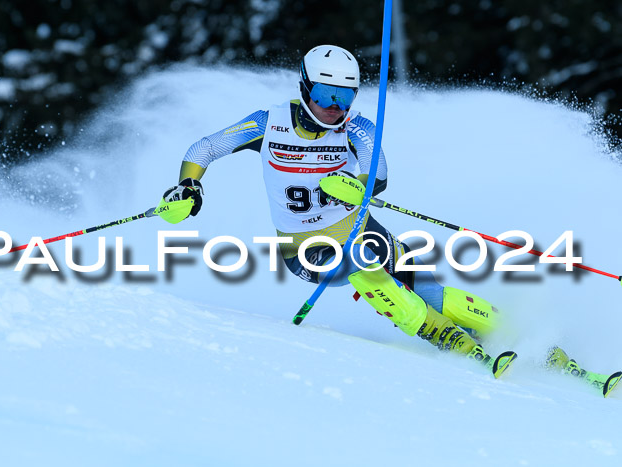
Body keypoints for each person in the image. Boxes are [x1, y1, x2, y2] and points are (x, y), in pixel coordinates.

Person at [155, 45, 617, 387]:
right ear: (303, 87)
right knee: (362, 264)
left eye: (345, 95)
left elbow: (380, 171)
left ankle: (540, 349)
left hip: (358, 227)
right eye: (324, 93)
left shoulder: (358, 125)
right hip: (304, 248)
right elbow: (204, 148)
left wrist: (360, 185)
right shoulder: (269, 122)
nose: (334, 107)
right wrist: (190, 184)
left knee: (421, 280)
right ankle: (447, 339)